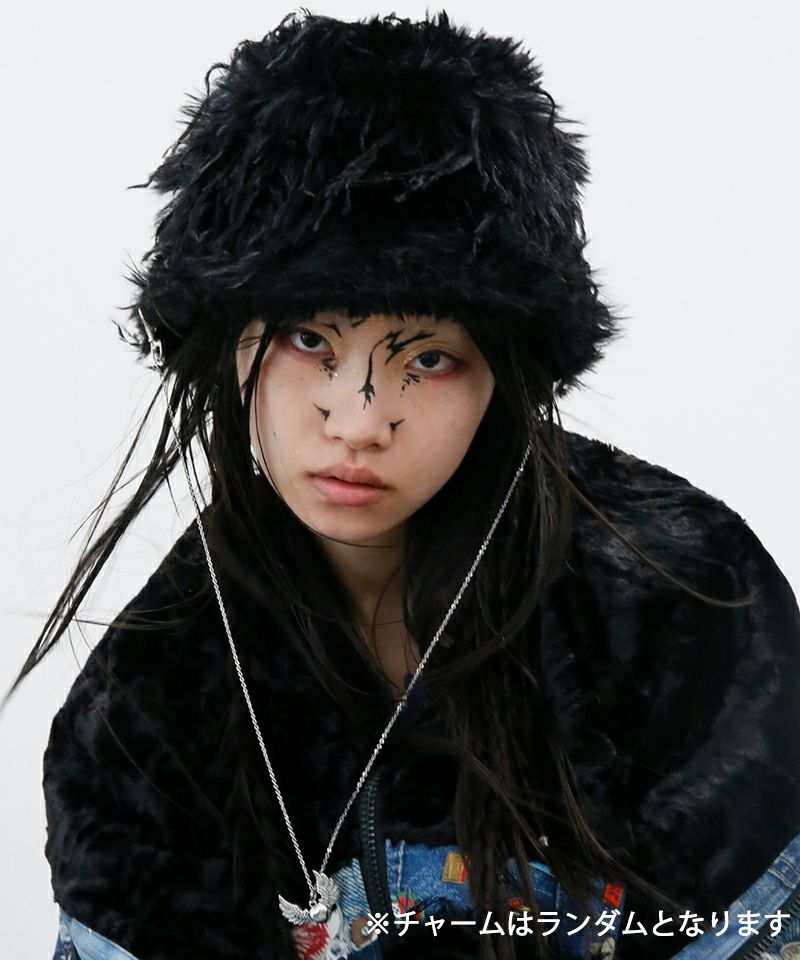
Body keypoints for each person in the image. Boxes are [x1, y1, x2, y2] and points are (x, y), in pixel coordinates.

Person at [8, 10, 800, 960]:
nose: (358, 422)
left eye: (427, 358)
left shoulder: (681, 603)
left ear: (503, 372)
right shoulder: (147, 709)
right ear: (230, 343)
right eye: (309, 338)